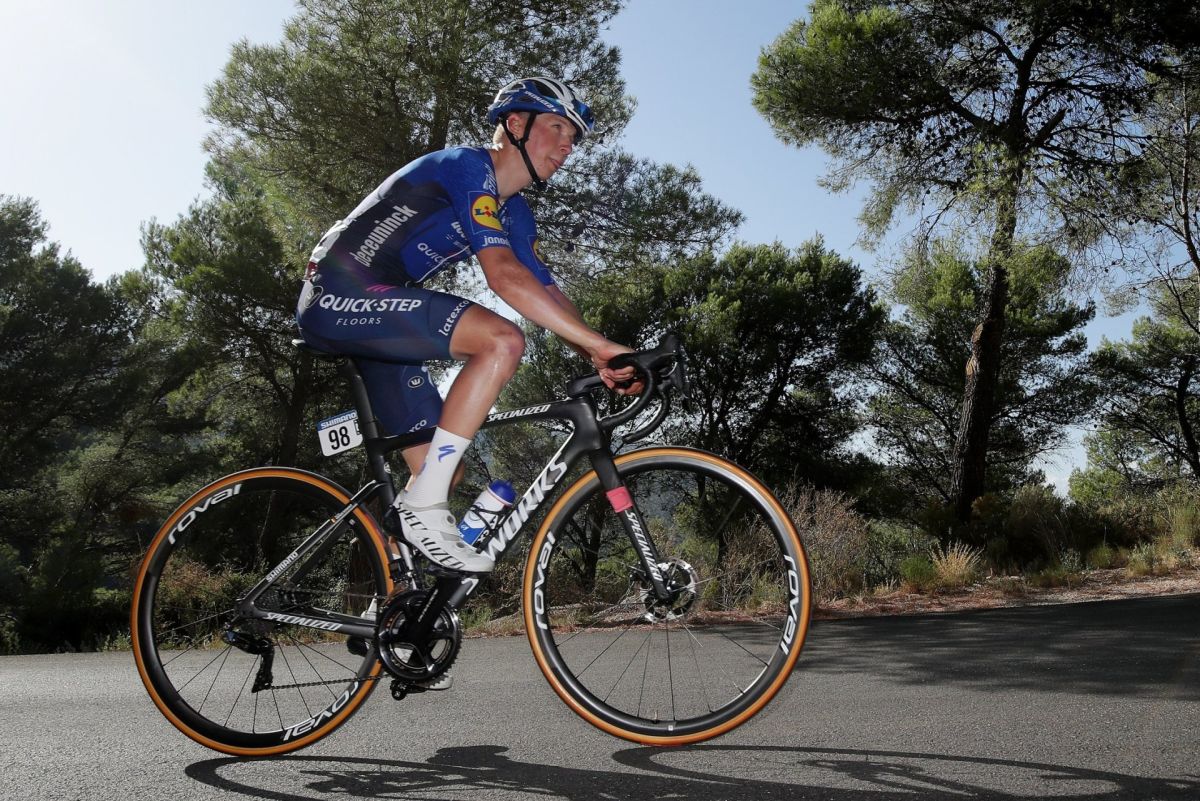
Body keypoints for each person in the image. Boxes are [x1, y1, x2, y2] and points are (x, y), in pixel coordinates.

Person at [296, 76, 641, 574]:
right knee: (501, 340)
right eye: (558, 127)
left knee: (442, 468)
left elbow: (545, 290)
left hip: (381, 315)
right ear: (515, 124)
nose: (569, 145)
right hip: (337, 293)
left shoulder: (514, 212)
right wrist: (600, 345)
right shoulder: (467, 167)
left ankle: (395, 595)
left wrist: (595, 352)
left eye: (574, 137)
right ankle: (422, 511)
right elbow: (503, 276)